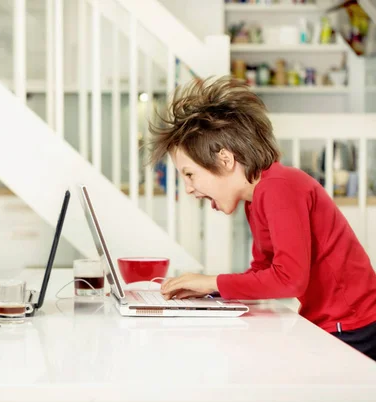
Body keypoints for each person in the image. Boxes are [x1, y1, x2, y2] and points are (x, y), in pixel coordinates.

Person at [149, 76, 376, 361]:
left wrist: (212, 282)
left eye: (189, 173)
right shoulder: (257, 198)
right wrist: (208, 291)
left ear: (225, 159)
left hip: (353, 326)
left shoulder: (279, 187)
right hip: (331, 323)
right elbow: (263, 273)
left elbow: (289, 280)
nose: (189, 188)